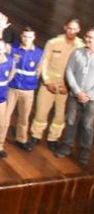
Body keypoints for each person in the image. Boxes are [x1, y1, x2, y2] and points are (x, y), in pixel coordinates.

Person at [29, 18, 83, 151]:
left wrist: (69, 86)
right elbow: (44, 62)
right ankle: (35, 136)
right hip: (48, 85)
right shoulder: (53, 42)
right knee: (41, 112)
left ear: (79, 30)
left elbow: (80, 70)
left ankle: (53, 138)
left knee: (60, 115)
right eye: (69, 28)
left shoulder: (81, 47)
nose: (71, 31)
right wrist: (47, 82)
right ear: (65, 27)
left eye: (75, 29)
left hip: (66, 87)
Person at [57, 29, 94, 165]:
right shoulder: (77, 53)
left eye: (92, 38)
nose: (88, 40)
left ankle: (85, 150)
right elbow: (69, 71)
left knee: (87, 125)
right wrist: (77, 91)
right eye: (87, 37)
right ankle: (66, 145)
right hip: (75, 95)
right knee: (71, 121)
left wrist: (88, 95)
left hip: (92, 99)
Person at [8, 28, 43, 151]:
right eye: (24, 36)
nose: (26, 39)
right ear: (21, 36)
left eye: (29, 37)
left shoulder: (39, 53)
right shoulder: (13, 48)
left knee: (24, 117)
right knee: (5, 115)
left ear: (34, 38)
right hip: (11, 88)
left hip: (28, 90)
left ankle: (21, 139)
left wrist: (31, 83)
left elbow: (39, 71)